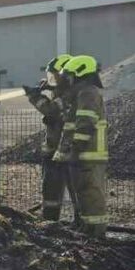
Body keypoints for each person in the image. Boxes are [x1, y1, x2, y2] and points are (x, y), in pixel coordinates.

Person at [53, 55, 108, 237]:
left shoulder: (88, 93)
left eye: (69, 76)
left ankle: (96, 234)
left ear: (79, 74)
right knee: (84, 194)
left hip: (89, 153)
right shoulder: (81, 93)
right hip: (84, 153)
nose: (66, 80)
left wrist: (75, 149)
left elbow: (85, 123)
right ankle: (87, 229)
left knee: (91, 194)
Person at [24, 54, 71, 220]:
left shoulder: (69, 94)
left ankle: (79, 226)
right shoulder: (61, 92)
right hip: (55, 153)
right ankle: (51, 224)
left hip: (63, 153)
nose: (53, 78)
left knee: (71, 193)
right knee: (50, 194)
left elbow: (50, 110)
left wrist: (34, 96)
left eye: (56, 74)